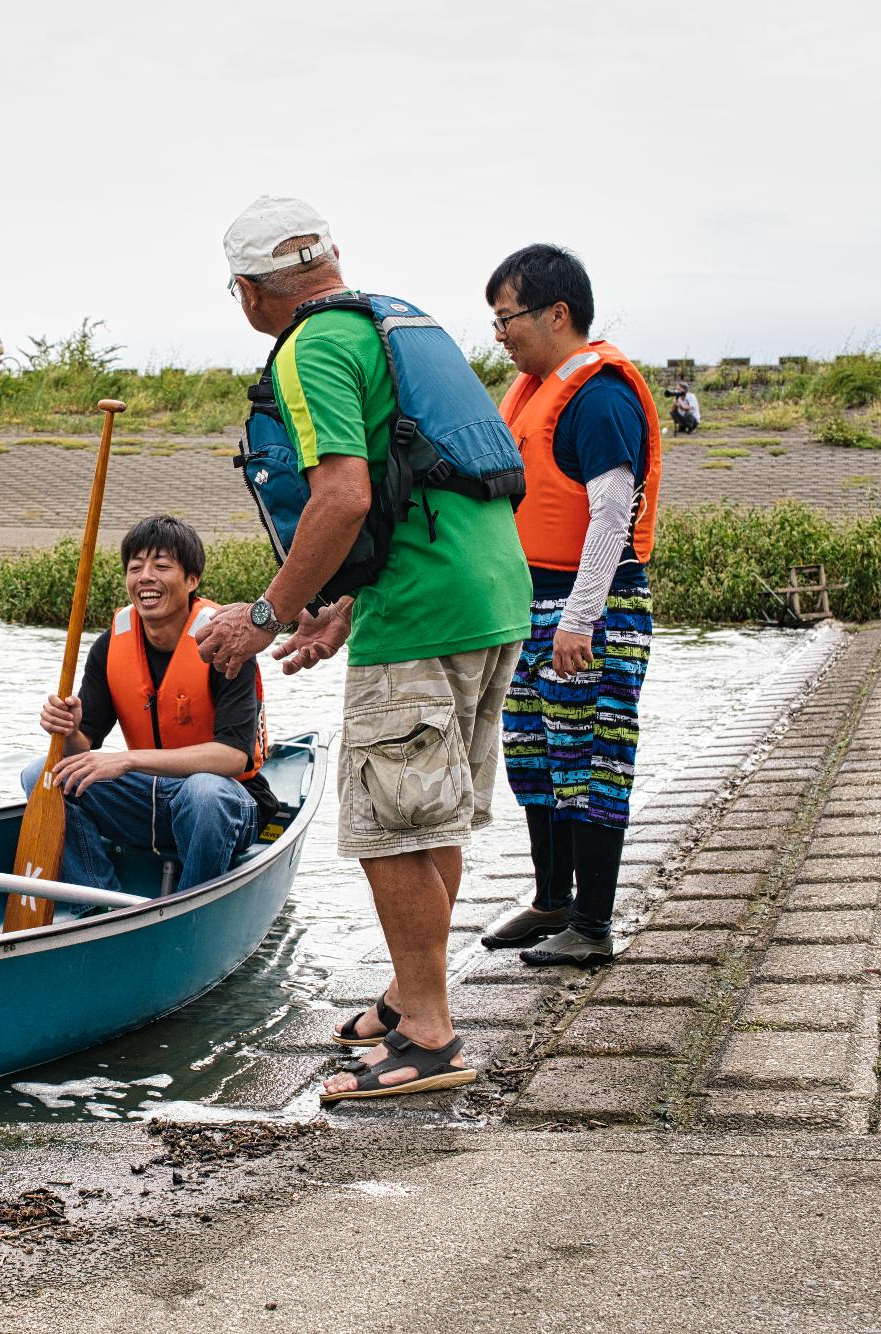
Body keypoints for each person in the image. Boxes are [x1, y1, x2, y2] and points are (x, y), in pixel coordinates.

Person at [196, 195, 532, 1103]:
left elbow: (342, 498)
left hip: (425, 614)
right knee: (438, 812)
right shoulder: (395, 320)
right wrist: (343, 603)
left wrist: (265, 614)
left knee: (392, 826)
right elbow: (415, 482)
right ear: (331, 258)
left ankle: (428, 1034)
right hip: (490, 596)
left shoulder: (311, 347)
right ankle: (407, 994)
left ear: (251, 290)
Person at [479, 244, 662, 968]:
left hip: (592, 609)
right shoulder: (534, 389)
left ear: (558, 313)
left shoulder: (600, 395)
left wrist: (580, 620)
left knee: (590, 762)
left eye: (507, 318)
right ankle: (552, 898)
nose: (500, 334)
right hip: (531, 606)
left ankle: (591, 924)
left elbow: (612, 513)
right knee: (534, 756)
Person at [20, 515, 278, 896]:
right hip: (147, 801)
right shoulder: (111, 646)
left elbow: (232, 758)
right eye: (135, 567)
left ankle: (190, 906)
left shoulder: (225, 643)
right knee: (42, 773)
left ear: (192, 580)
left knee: (204, 792)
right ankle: (97, 902)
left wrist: (127, 760)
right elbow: (82, 750)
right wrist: (70, 730)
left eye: (161, 566)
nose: (145, 577)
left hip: (227, 803)